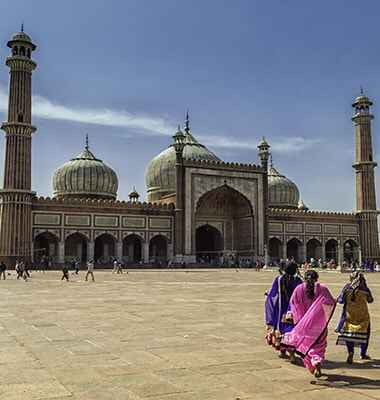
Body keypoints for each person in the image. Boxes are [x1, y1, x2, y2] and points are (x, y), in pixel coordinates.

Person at [281, 270, 336, 378]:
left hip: (304, 326)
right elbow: (330, 302)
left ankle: (313, 364)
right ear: (317, 278)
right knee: (319, 345)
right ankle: (317, 361)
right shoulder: (323, 289)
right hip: (319, 325)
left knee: (306, 346)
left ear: (305, 278)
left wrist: (299, 321)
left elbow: (294, 305)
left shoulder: (299, 289)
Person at [265, 262, 303, 359]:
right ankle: (291, 353)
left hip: (280, 309)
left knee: (280, 328)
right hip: (293, 309)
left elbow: (273, 294)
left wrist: (268, 293)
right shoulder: (297, 280)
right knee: (291, 328)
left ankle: (282, 350)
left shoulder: (278, 279)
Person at [336, 271, 373, 363]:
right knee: (365, 334)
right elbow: (370, 300)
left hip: (349, 316)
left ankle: (351, 352)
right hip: (363, 316)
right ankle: (363, 353)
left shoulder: (347, 288)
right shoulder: (365, 289)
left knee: (349, 335)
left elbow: (340, 300)